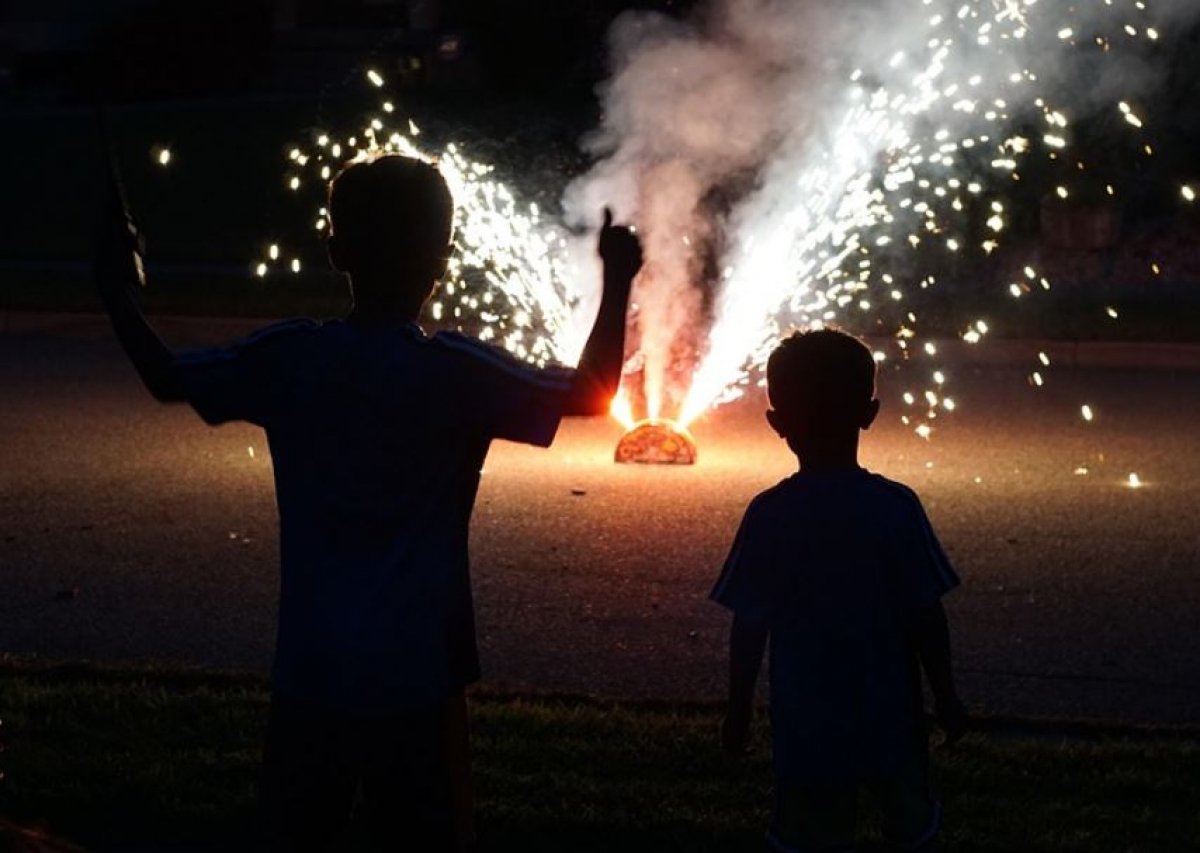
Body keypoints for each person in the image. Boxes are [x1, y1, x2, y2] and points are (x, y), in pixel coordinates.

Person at [93, 151, 642, 851]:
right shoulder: (456, 372)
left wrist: (117, 292)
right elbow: (595, 391)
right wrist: (618, 280)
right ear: (440, 257)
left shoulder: (291, 359)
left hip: (311, 667)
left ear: (335, 250)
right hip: (419, 674)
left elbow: (168, 376)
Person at [712, 328, 968, 853]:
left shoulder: (770, 515)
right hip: (890, 713)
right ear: (869, 413)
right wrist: (946, 696)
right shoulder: (896, 508)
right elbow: (926, 613)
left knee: (807, 834)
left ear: (777, 424)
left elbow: (749, 624)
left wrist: (737, 710)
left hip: (807, 721)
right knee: (910, 827)